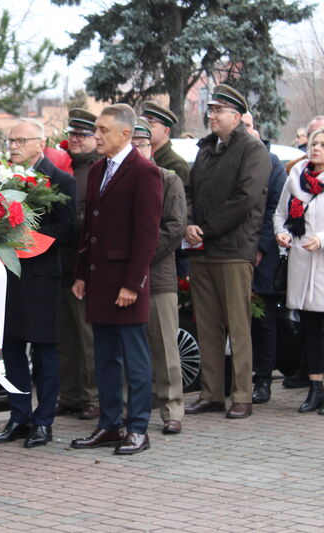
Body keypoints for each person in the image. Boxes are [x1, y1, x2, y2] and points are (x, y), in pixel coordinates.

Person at [70, 104, 162, 456]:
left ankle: (138, 428)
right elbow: (89, 229)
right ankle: (110, 424)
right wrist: (81, 275)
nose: (97, 135)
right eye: (97, 129)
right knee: (104, 358)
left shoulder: (145, 172)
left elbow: (146, 235)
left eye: (103, 130)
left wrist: (132, 283)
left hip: (125, 282)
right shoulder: (97, 171)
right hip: (99, 279)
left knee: (135, 359)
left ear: (126, 133)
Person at [0, 118, 76, 448]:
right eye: (10, 141)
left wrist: (28, 238)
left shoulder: (60, 181)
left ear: (41, 144)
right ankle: (18, 416)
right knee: (10, 350)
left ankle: (43, 421)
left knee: (44, 353)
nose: (14, 147)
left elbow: (68, 229)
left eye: (21, 141)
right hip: (9, 277)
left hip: (42, 277)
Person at [184, 84, 270, 420]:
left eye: (219, 111)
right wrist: (189, 223)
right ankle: (211, 394)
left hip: (234, 250)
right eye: (210, 110)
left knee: (238, 325)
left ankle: (242, 396)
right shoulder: (206, 150)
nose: (212, 115)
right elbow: (189, 191)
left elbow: (245, 199)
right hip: (203, 250)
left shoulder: (253, 149)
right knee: (206, 325)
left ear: (237, 116)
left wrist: (205, 228)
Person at [131, 119, 186, 435]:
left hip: (158, 275)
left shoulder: (168, 179)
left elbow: (174, 227)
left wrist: (140, 258)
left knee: (166, 347)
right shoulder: (121, 180)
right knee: (130, 348)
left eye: (142, 144)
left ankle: (172, 409)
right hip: (125, 278)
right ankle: (133, 408)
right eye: (132, 144)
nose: (137, 150)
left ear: (151, 147)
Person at [273, 128, 324, 414]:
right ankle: (316, 389)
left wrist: (322, 238)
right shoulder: (296, 179)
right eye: (314, 143)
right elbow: (280, 214)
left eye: (322, 144)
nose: (316, 148)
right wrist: (282, 234)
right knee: (310, 328)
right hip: (302, 262)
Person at [56, 108, 102, 420]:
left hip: (84, 264)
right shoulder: (67, 169)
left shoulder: (97, 170)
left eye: (81, 135)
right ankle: (70, 395)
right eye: (71, 133)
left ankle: (92, 398)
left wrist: (69, 222)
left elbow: (96, 219)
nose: (74, 139)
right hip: (62, 263)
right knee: (66, 337)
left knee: (88, 338)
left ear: (94, 139)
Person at [242, 112, 286, 404]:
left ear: (254, 127)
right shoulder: (232, 159)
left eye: (247, 125)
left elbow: (275, 209)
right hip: (235, 249)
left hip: (263, 254)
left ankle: (264, 380)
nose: (243, 131)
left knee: (264, 319)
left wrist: (259, 248)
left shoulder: (272, 164)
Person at [140, 102, 189, 184]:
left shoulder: (176, 165)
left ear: (166, 131)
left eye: (150, 125)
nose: (145, 129)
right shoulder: (139, 157)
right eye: (143, 125)